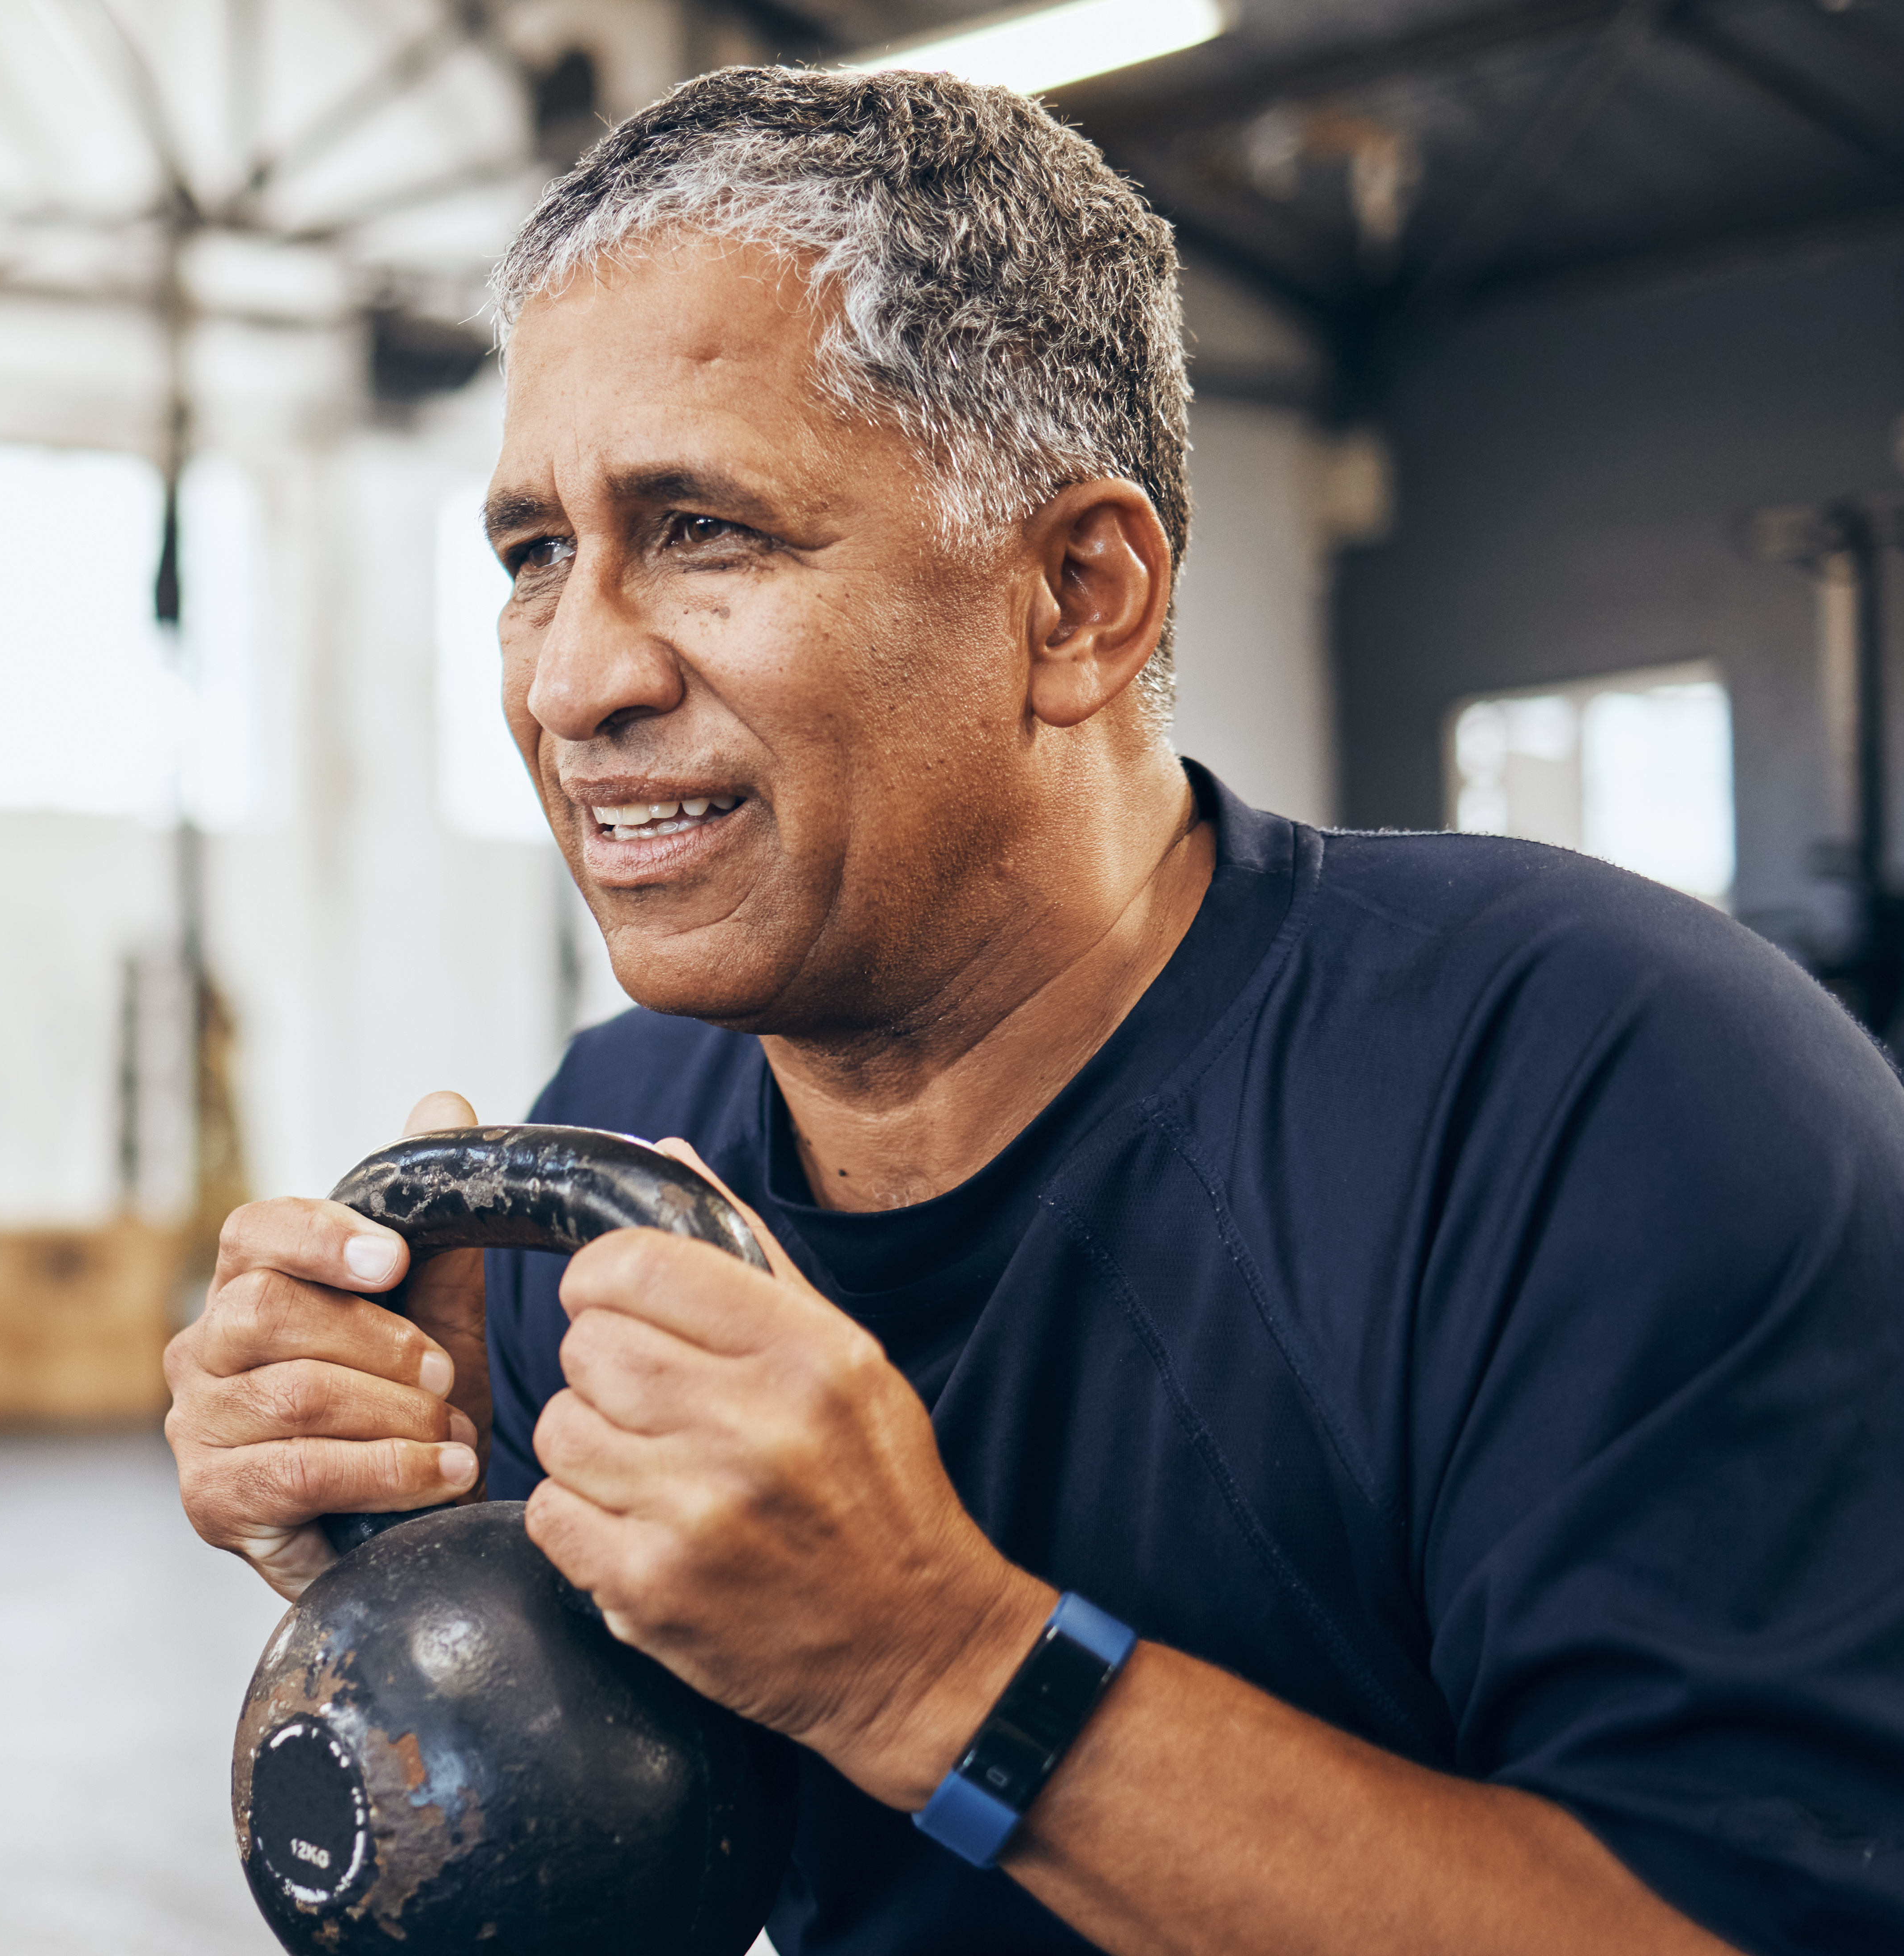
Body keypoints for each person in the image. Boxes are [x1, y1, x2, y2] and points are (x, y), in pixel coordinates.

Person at [167, 66, 1904, 1956]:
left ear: (1079, 599)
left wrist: (938, 1666)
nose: (575, 676)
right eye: (532, 556)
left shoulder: (1601, 1089)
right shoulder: (616, 1142)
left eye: (707, 532)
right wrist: (403, 1538)